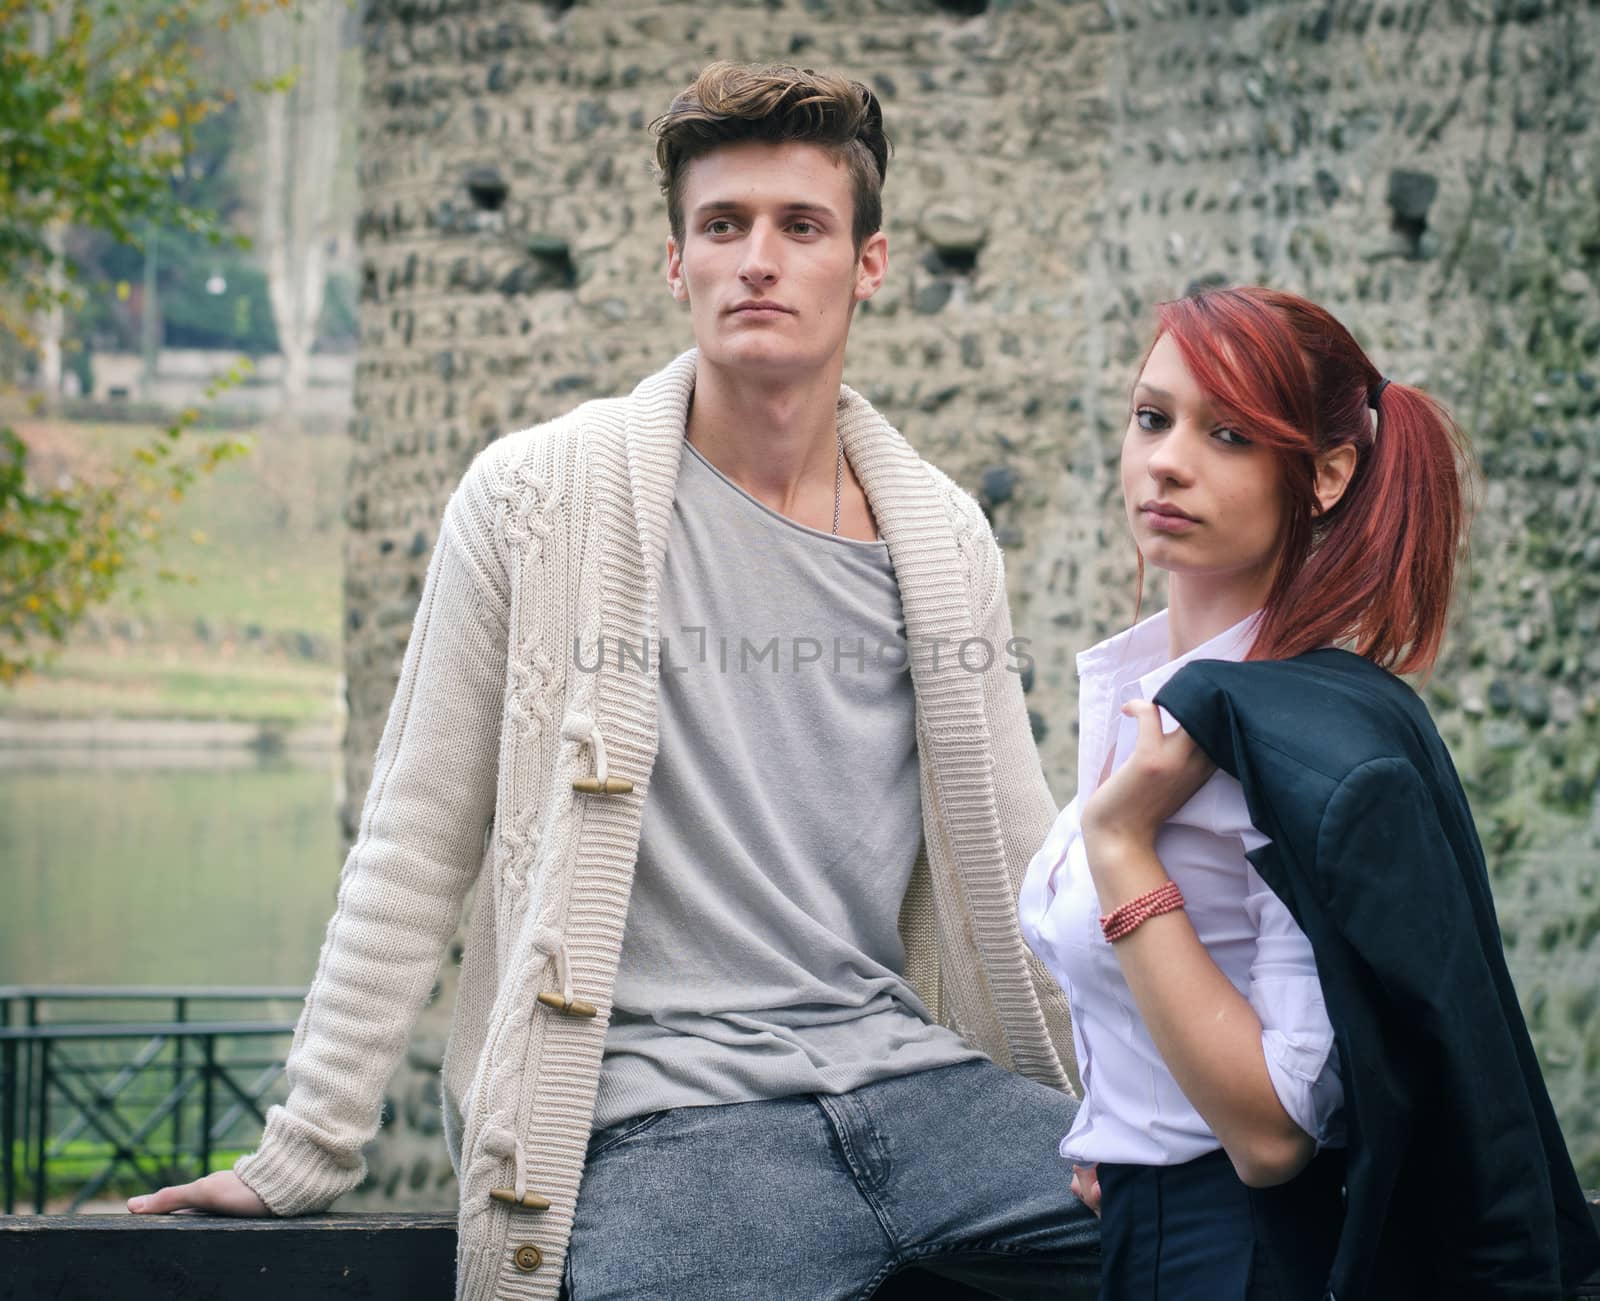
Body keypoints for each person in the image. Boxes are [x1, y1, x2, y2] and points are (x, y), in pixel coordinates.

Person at [130, 62, 1100, 1301]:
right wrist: (304, 1148)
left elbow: (1023, 857)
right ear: (674, 262)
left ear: (869, 264)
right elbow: (417, 836)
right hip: (658, 1116)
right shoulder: (533, 499)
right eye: (722, 226)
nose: (757, 258)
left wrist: (1115, 1112)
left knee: (1223, 1238)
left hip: (917, 1086)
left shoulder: (943, 534)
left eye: (800, 226)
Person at [1019, 285, 1600, 1299]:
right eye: (1151, 416)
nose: (1165, 458)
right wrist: (1118, 1125)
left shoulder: (1288, 741)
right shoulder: (1141, 700)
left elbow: (1274, 1131)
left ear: (1327, 474)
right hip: (1141, 1225)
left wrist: (1119, 846)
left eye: (1229, 434)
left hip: (1241, 1256)